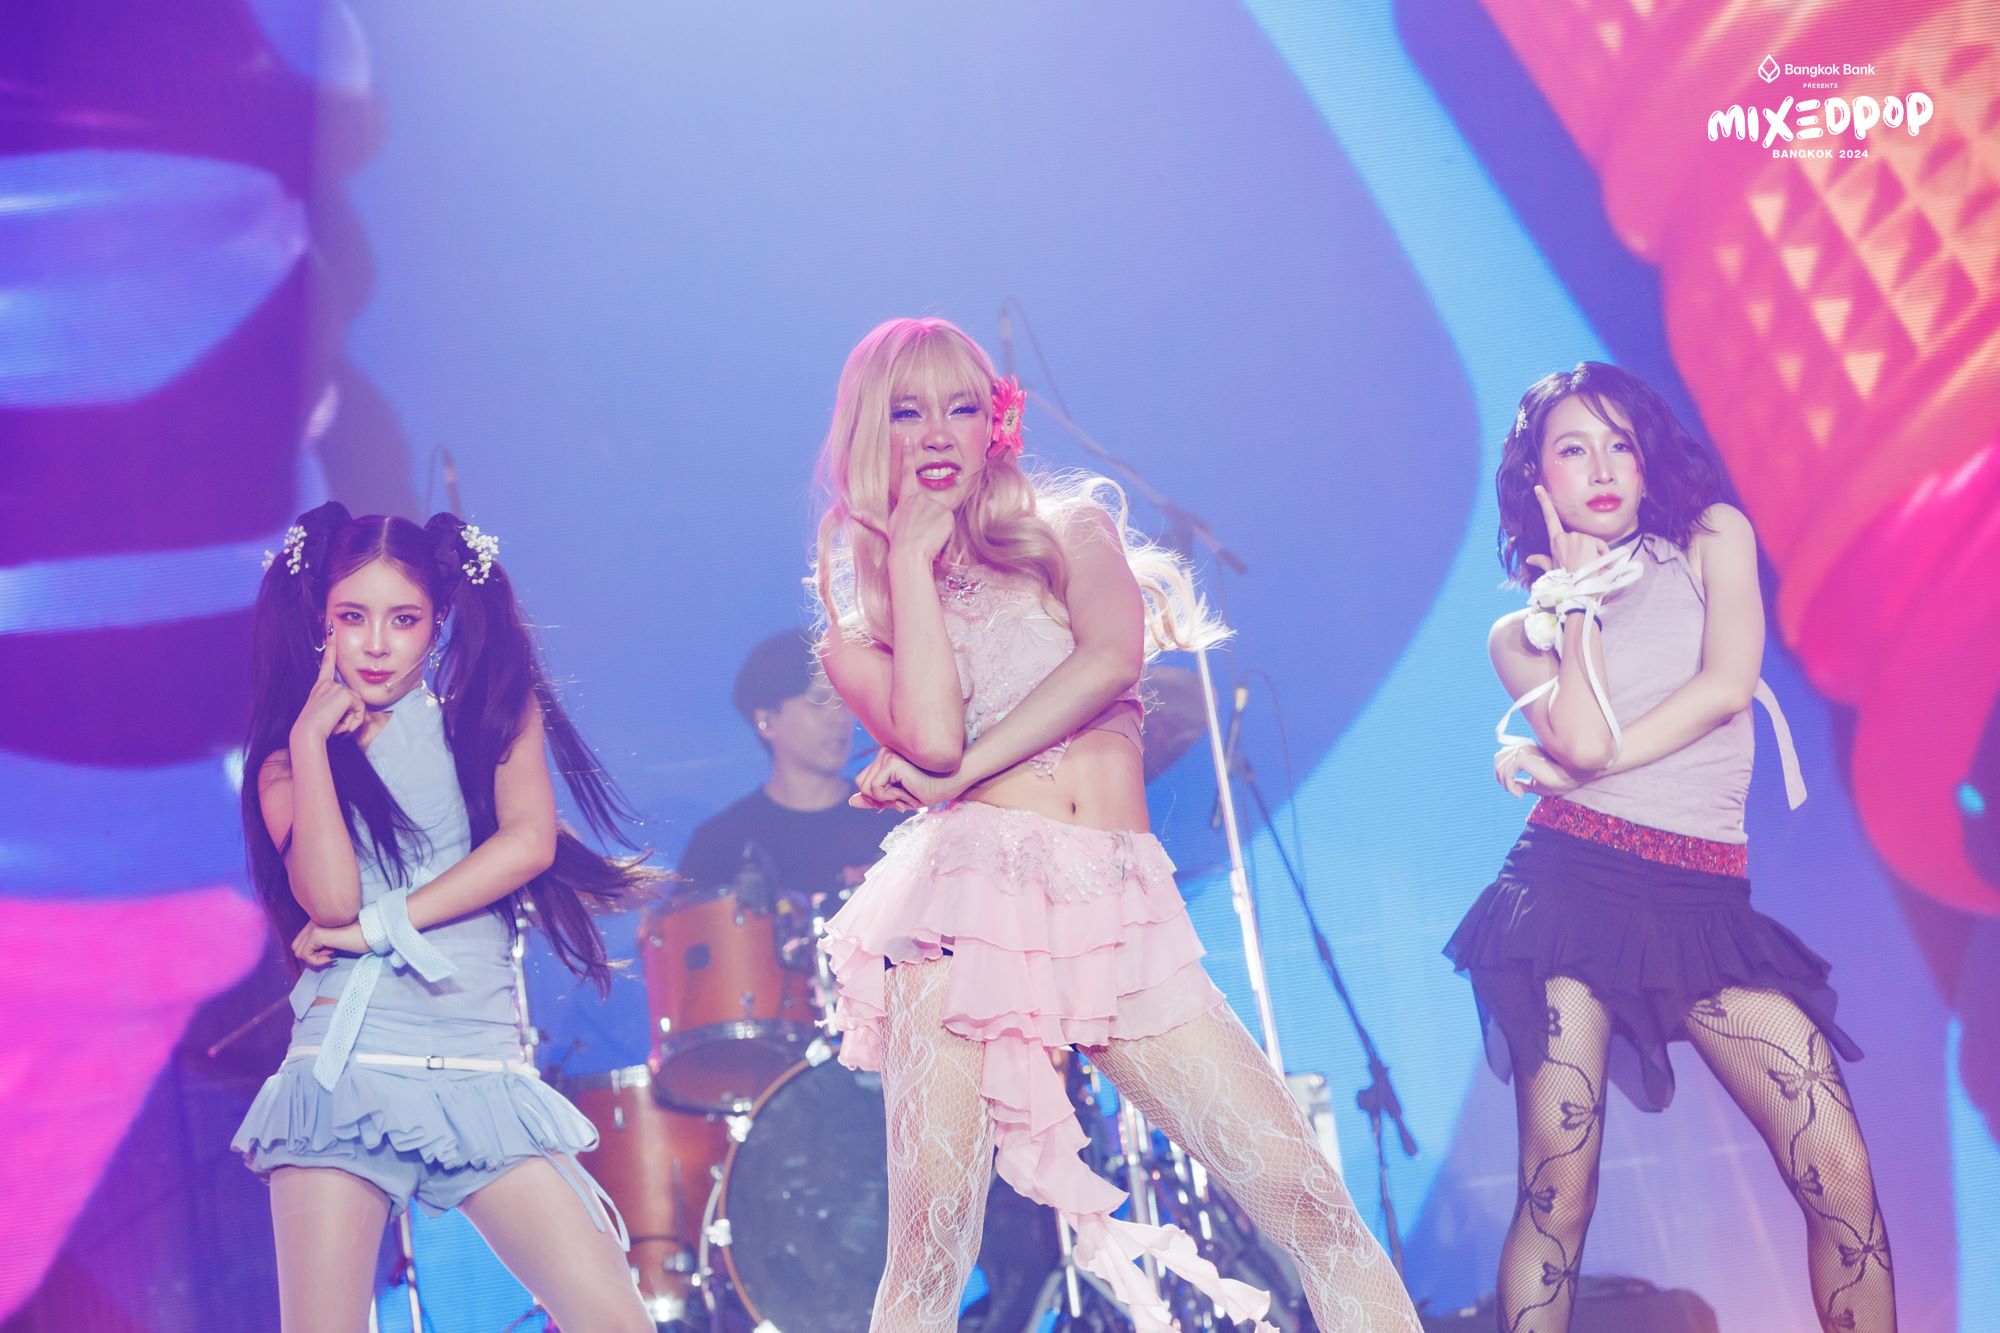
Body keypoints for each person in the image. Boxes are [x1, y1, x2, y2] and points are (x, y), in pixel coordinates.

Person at [809, 317, 1421, 1332]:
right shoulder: (859, 628)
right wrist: (910, 565)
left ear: (995, 421)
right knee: (931, 1245)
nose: (939, 433)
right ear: (871, 430)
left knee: (1305, 1199)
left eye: (962, 406)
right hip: (966, 910)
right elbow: (930, 732)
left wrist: (955, 772)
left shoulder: (1071, 530)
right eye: (908, 411)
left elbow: (1106, 664)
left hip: (1113, 905)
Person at [1445, 363, 1896, 1332]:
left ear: (1648, 457)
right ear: (1536, 480)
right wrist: (1571, 606)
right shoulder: (1517, 634)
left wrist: (1575, 766)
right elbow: (1582, 738)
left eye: (1620, 443)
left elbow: (1726, 685)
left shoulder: (1711, 536)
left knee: (1838, 1172)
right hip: (1567, 892)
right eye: (1573, 449)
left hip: (1701, 902)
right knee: (1558, 1192)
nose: (1603, 467)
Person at [231, 503, 659, 1333]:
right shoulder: (290, 759)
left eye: (404, 619)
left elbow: (528, 843)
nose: (376, 643)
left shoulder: (488, 715)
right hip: (346, 1072)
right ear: (321, 622)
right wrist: (313, 742)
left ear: (438, 622)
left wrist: (381, 926)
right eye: (352, 617)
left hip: (479, 1069)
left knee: (617, 1320)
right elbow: (330, 902)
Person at [675, 629, 899, 909]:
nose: (839, 718)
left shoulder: (892, 820)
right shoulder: (720, 844)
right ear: (767, 721)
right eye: (819, 702)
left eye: (844, 700)